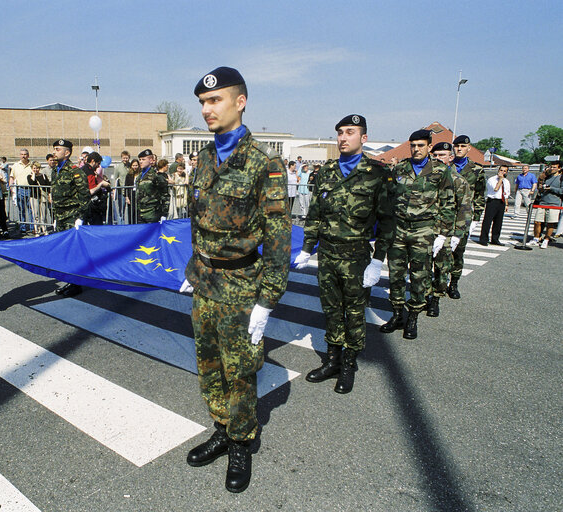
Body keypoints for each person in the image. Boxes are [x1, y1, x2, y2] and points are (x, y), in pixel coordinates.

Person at [180, 67, 290, 493]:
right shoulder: (206, 158)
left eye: (215, 101)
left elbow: (279, 235)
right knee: (208, 364)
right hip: (205, 282)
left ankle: (242, 439)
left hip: (242, 284)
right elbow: (198, 220)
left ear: (240, 102)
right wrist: (195, 267)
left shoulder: (265, 162)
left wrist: (268, 299)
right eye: (203, 103)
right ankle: (221, 427)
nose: (207, 109)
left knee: (240, 370)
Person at [294, 114, 394, 393]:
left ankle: (349, 364)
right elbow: (314, 214)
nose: (342, 137)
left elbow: (387, 221)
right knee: (331, 309)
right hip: (327, 254)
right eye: (339, 132)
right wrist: (306, 248)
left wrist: (377, 261)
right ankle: (332, 360)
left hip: (356, 256)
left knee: (354, 312)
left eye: (350, 132)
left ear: (363, 138)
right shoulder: (326, 171)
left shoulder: (377, 173)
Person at [379, 129, 455, 339]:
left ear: (430, 147)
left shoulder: (440, 171)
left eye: (421, 145)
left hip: (424, 229)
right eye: (413, 145)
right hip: (399, 228)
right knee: (395, 274)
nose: (416, 149)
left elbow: (448, 203)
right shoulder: (401, 167)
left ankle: (413, 316)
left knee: (419, 275)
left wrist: (442, 234)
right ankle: (397, 314)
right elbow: (388, 196)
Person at [427, 142, 470, 317]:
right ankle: (426, 295)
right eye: (435, 155)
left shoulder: (458, 180)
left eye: (442, 155)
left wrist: (458, 234)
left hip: (448, 231)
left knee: (442, 267)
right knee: (424, 266)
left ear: (450, 157)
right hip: (428, 230)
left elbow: (464, 209)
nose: (437, 159)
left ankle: (436, 299)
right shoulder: (428, 178)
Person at [49, 139, 90, 297]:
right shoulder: (56, 170)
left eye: (58, 149)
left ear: (67, 153)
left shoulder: (75, 171)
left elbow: (84, 196)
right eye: (54, 149)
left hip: (72, 217)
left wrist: (80, 217)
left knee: (74, 250)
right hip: (60, 217)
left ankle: (76, 284)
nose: (54, 152)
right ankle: (70, 280)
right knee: (65, 250)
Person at [447, 135, 485, 299]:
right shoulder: (446, 166)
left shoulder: (476, 169)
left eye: (463, 146)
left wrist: (476, 217)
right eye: (456, 146)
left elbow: (480, 195)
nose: (459, 149)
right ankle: (437, 283)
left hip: (464, 216)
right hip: (446, 214)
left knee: (458, 252)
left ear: (469, 148)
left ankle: (453, 283)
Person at [528, 161, 562, 248]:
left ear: (559, 168)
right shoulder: (547, 176)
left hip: (554, 203)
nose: (552, 169)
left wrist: (551, 188)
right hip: (543, 201)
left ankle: (546, 239)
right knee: (537, 221)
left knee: (550, 223)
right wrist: (541, 187)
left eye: (554, 167)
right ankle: (536, 238)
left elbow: (562, 191)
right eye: (551, 167)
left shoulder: (561, 178)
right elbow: (540, 183)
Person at [479, 165, 511, 246]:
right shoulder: (492, 179)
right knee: (487, 221)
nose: (502, 172)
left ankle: (495, 239)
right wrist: (500, 179)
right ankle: (484, 239)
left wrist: (506, 204)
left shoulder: (506, 181)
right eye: (501, 170)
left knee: (498, 222)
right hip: (492, 201)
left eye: (504, 171)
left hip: (501, 202)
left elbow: (506, 193)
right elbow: (496, 189)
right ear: (498, 170)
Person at [134, 149, 169, 223]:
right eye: (140, 159)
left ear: (151, 160)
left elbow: (165, 195)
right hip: (140, 213)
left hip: (152, 213)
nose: (140, 161)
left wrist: (164, 214)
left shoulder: (156, 176)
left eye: (143, 159)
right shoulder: (139, 176)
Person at [83, 152, 110, 225]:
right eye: (98, 163)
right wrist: (101, 184)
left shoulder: (85, 169)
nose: (98, 166)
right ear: (92, 161)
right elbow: (91, 190)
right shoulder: (89, 172)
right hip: (91, 207)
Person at [10, 148, 33, 233]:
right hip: (20, 189)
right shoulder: (15, 165)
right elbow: (12, 177)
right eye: (22, 154)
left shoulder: (32, 165)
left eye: (25, 154)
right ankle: (22, 226)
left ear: (28, 155)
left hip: (31, 190)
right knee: (21, 209)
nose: (23, 156)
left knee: (31, 209)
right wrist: (11, 188)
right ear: (20, 155)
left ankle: (31, 227)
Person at [27, 161, 51, 235]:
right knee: (36, 215)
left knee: (43, 214)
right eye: (34, 168)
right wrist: (33, 174)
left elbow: (48, 186)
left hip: (43, 197)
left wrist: (49, 195)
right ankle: (37, 230)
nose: (36, 169)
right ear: (31, 168)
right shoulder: (29, 176)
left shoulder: (43, 175)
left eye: (37, 168)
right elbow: (31, 182)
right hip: (34, 197)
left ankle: (44, 229)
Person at [124, 158, 140, 224]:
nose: (135, 167)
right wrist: (126, 197)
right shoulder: (128, 175)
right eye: (133, 165)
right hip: (131, 194)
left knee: (138, 212)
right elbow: (126, 186)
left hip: (138, 194)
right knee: (131, 212)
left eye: (136, 165)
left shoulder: (141, 174)